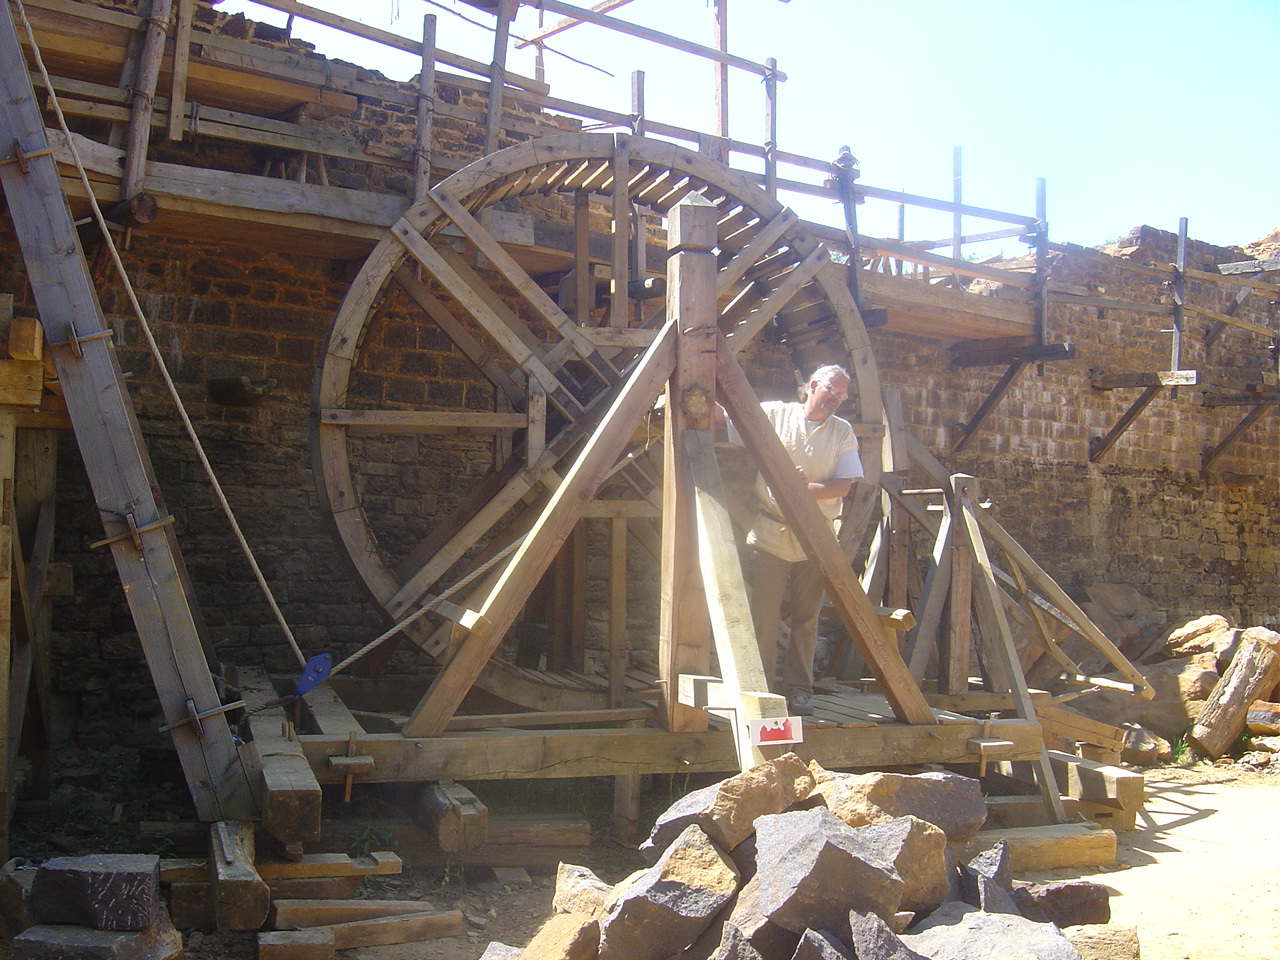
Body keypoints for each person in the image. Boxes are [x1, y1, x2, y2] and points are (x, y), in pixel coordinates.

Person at [724, 364, 863, 716]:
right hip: (772, 533)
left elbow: (843, 485)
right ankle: (760, 688)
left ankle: (800, 691)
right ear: (813, 385)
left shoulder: (842, 432)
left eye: (843, 393)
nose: (837, 397)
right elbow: (729, 419)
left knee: (806, 619)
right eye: (832, 389)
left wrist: (804, 489)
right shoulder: (775, 415)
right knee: (763, 616)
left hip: (815, 539)